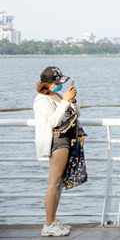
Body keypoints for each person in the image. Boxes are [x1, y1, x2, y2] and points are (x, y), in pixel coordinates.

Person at [33, 66, 79, 237]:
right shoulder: (41, 100)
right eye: (57, 82)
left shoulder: (57, 96)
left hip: (66, 139)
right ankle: (48, 223)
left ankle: (52, 220)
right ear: (48, 83)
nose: (60, 85)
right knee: (54, 181)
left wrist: (71, 101)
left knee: (58, 182)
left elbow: (75, 114)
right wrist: (66, 101)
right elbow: (52, 122)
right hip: (56, 140)